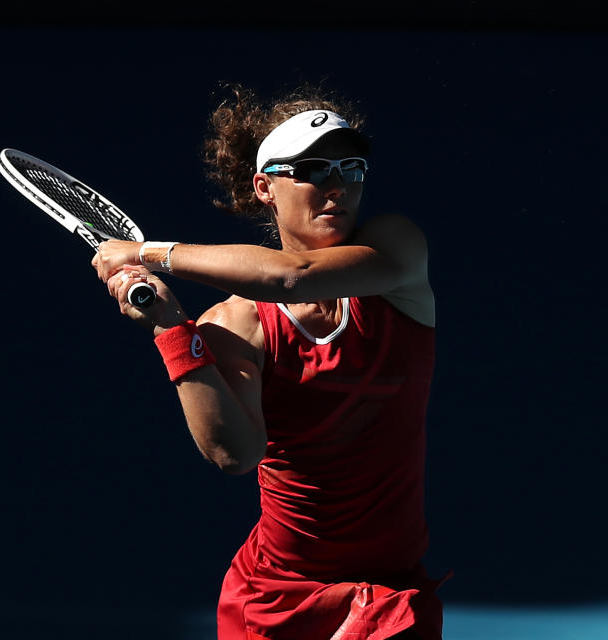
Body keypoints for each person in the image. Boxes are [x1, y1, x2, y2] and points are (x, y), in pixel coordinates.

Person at [91, 84, 446, 640]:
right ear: (265, 187)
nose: (337, 187)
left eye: (350, 168)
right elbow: (234, 452)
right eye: (312, 170)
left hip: (390, 588)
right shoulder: (235, 325)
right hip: (276, 598)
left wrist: (145, 252)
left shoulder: (396, 253)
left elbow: (291, 275)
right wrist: (168, 326)